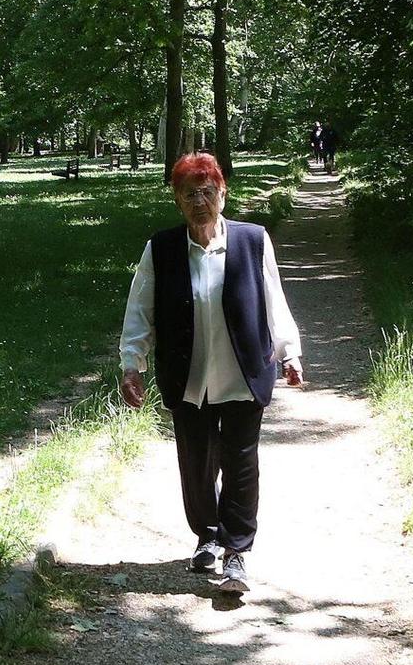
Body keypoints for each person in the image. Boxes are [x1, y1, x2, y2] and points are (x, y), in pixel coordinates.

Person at [118, 152, 303, 594]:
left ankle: (237, 553)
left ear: (223, 193)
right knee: (197, 464)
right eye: (188, 194)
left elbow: (273, 299)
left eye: (207, 192)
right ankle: (207, 534)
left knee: (240, 463)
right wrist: (132, 363)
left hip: (242, 371)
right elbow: (140, 309)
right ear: (177, 201)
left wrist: (289, 352)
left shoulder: (252, 240)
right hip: (189, 375)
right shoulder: (161, 249)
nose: (199, 201)